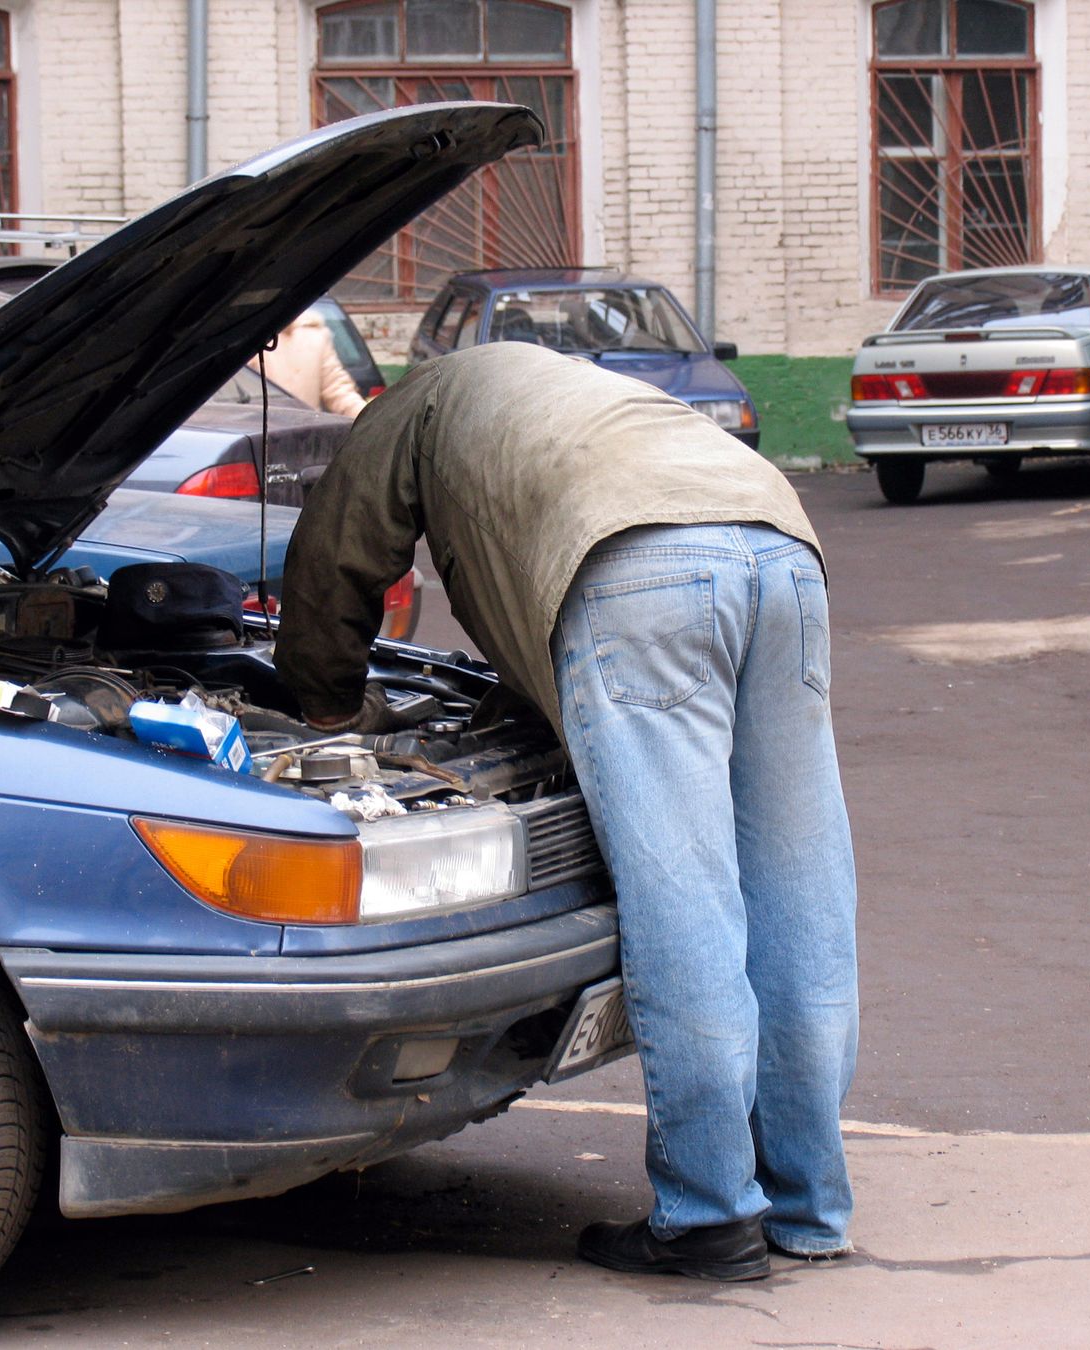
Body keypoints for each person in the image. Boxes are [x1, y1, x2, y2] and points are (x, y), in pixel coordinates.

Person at [273, 343, 859, 1281]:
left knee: (684, 896)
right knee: (799, 884)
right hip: (778, 545)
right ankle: (809, 1202)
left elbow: (336, 556)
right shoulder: (562, 388)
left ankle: (710, 1214)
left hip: (639, 563)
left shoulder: (413, 408)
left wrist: (325, 702)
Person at [250, 307, 367, 417]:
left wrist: (369, 418)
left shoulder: (314, 334)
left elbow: (338, 390)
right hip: (259, 434)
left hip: (306, 433)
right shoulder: (248, 332)